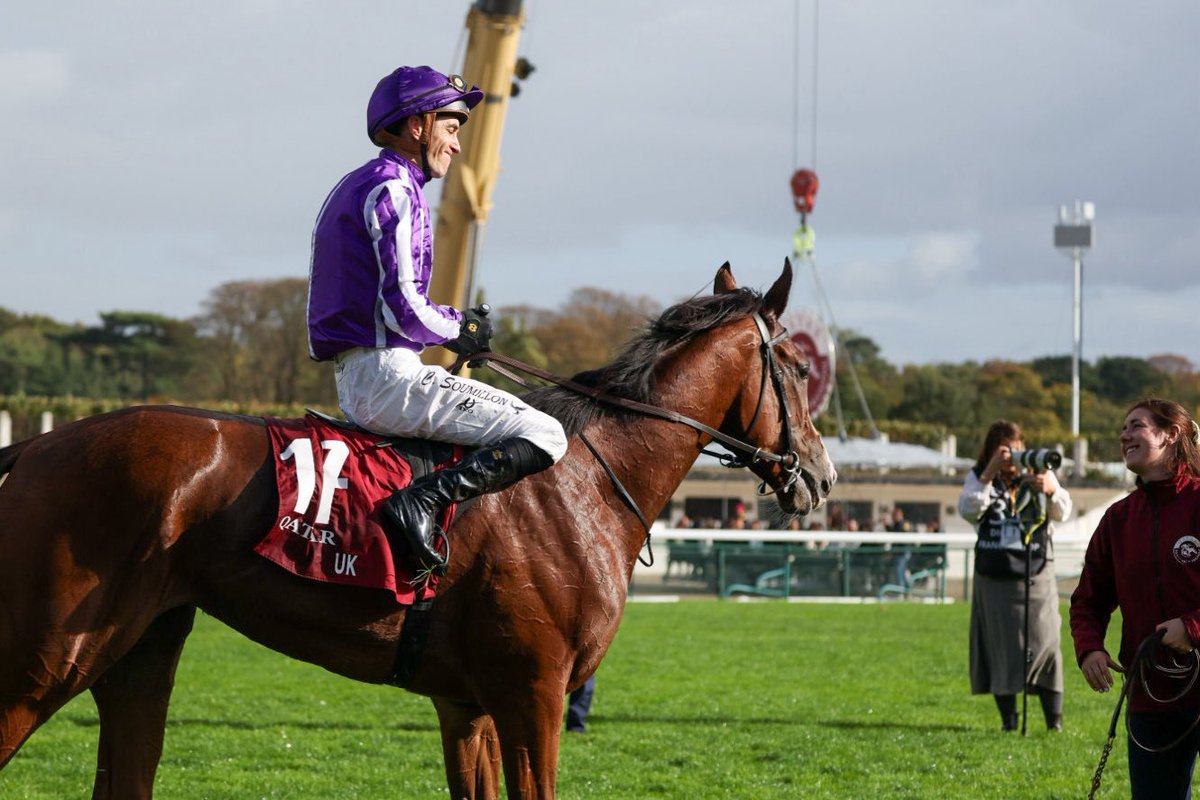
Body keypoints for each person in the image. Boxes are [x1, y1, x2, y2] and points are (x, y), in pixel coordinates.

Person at [306, 66, 568, 573]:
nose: (458, 145)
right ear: (418, 126)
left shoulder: (361, 182)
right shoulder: (394, 189)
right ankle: (420, 502)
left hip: (367, 372)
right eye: (451, 128)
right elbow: (404, 306)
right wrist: (459, 327)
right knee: (546, 434)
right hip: (387, 378)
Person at [1071, 398, 1200, 799]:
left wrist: (1193, 627)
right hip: (1152, 691)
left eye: (1136, 426)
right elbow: (1088, 599)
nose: (1124, 435)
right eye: (1122, 429)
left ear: (1171, 434)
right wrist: (1089, 648)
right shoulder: (1119, 519)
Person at [958, 420, 1072, 732]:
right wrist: (988, 473)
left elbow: (1063, 511)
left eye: (1016, 452)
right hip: (994, 577)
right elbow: (969, 510)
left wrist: (1049, 489)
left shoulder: (1038, 471)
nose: (1012, 460)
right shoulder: (979, 476)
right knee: (1000, 647)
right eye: (1005, 453)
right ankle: (1009, 720)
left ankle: (1054, 721)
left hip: (1037, 572)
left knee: (1047, 641)